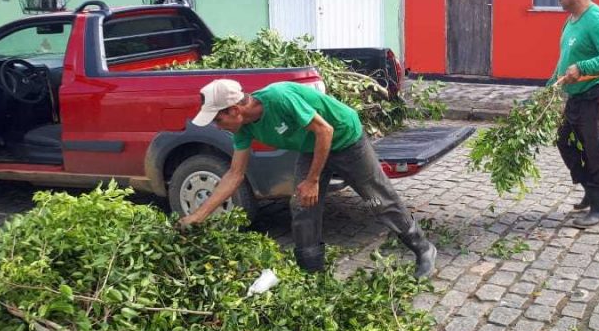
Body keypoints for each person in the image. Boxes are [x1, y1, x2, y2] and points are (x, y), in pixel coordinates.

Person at [178, 79, 438, 277]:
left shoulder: (279, 98)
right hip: (311, 146)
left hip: (345, 138)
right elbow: (234, 175)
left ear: (234, 110)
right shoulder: (243, 128)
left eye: (217, 119)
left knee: (377, 200)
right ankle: (311, 272)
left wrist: (313, 180)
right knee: (302, 205)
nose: (216, 126)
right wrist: (198, 216)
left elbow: (325, 130)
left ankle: (423, 248)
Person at [550, 0, 599, 228]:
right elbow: (564, 60)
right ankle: (589, 190)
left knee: (598, 149)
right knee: (564, 141)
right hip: (577, 96)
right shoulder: (570, 21)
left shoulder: (597, 19)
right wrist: (549, 88)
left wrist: (582, 67)